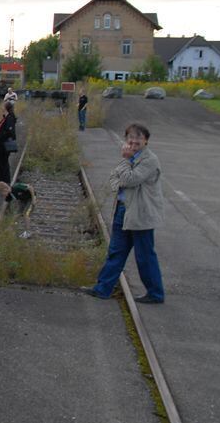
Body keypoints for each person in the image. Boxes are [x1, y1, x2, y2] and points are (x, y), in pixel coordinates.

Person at [82, 123, 166, 304]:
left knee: (144, 255)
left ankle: (155, 293)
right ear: (126, 140)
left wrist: (126, 161)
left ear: (146, 141)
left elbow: (130, 179)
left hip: (140, 214)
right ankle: (102, 288)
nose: (134, 145)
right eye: (131, 141)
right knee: (116, 251)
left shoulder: (149, 160)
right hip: (123, 210)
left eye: (138, 142)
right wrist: (122, 175)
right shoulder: (130, 158)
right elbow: (114, 179)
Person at [0, 100, 16, 185]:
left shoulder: (10, 118)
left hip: (5, 143)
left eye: (3, 106)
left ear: (6, 108)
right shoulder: (6, 117)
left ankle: (5, 181)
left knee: (3, 162)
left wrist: (1, 136)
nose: (2, 107)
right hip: (1, 142)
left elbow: (9, 131)